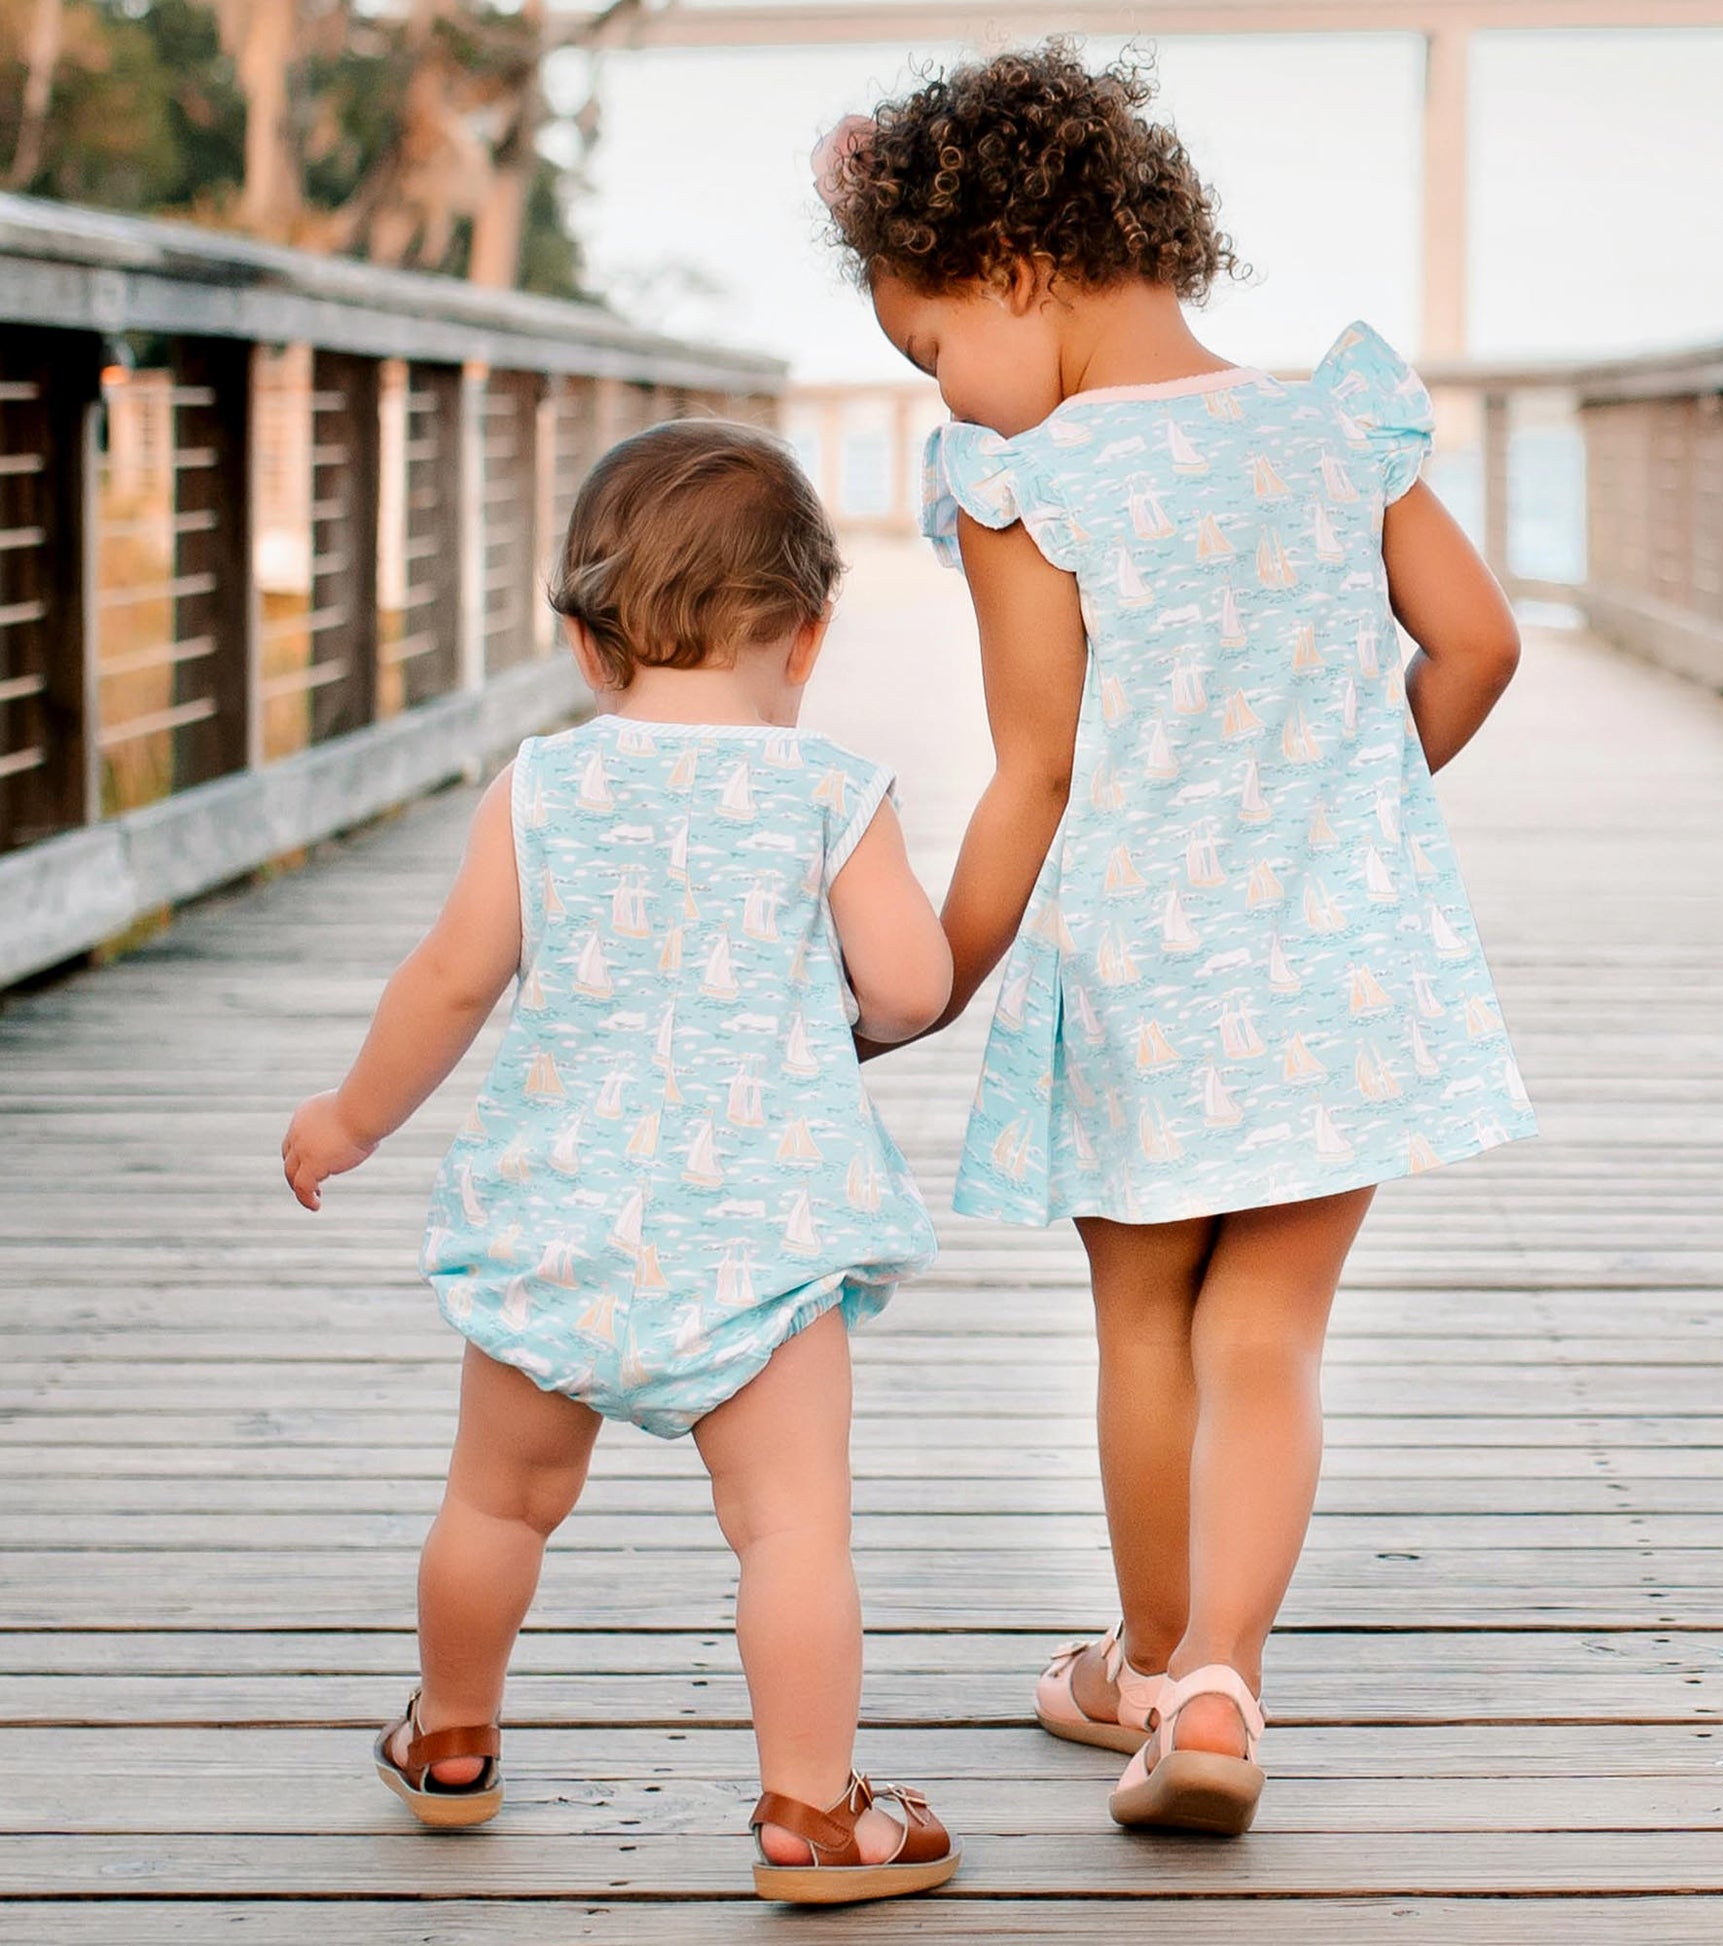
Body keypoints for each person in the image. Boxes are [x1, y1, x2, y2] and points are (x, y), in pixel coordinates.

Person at [817, 44, 1538, 1836]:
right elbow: (1477, 649)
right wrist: (1349, 810)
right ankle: (1225, 1675)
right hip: (1335, 965)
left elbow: (1034, 773)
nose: (947, 394)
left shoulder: (1024, 484)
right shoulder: (1331, 422)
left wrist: (923, 991)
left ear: (1012, 266)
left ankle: (1144, 1661)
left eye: (930, 348)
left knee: (1145, 1316)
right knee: (1270, 1331)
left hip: (1141, 975)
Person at [281, 419, 960, 1904]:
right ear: (809, 634)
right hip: (760, 1242)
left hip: (556, 1230)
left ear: (592, 646)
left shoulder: (543, 789)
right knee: (790, 1526)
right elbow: (909, 986)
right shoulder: (831, 792)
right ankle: (810, 1810)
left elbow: (450, 982)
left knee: (493, 1504)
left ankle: (450, 1735)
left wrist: (351, 1116)